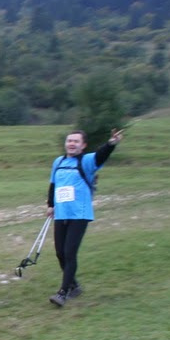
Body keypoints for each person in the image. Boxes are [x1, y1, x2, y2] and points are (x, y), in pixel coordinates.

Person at [45, 128, 124, 307]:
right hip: (61, 213)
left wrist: (111, 143)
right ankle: (74, 286)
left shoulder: (87, 161)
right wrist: (50, 205)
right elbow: (53, 185)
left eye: (76, 141)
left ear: (83, 145)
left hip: (79, 214)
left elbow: (101, 155)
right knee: (60, 253)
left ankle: (63, 293)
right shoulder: (58, 162)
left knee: (70, 252)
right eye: (69, 141)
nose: (71, 144)